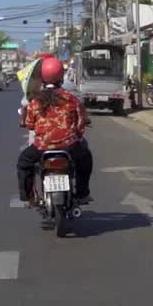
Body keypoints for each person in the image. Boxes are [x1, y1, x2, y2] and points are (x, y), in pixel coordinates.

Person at [17, 57, 94, 205]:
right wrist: (76, 133)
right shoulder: (71, 98)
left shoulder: (35, 101)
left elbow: (30, 125)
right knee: (85, 159)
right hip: (70, 146)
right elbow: (80, 122)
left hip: (42, 148)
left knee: (23, 162)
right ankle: (83, 193)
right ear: (61, 76)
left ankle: (28, 197)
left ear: (42, 78)